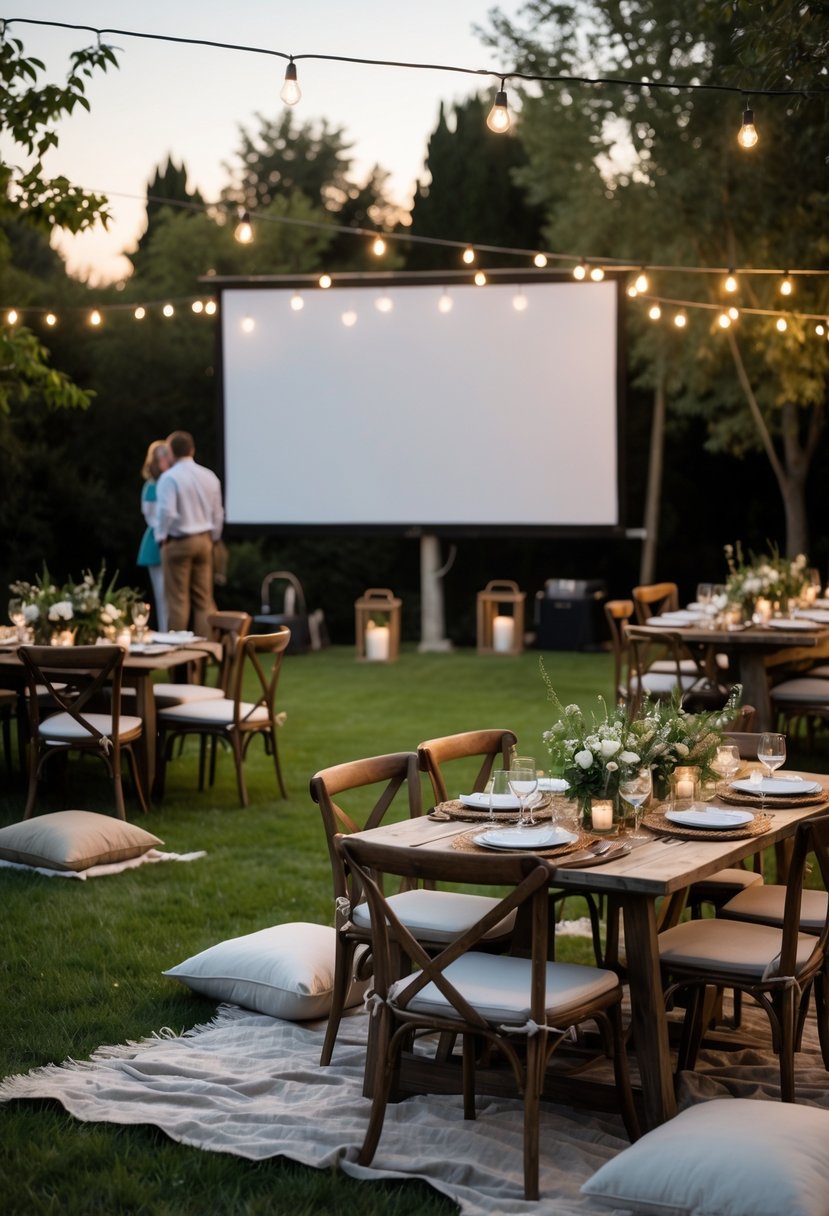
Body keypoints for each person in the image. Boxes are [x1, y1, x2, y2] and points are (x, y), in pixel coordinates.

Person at [154, 430, 224, 637]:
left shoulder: (169, 477)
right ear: (192, 450)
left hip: (179, 541)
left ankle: (178, 652)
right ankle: (205, 648)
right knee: (204, 601)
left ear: (170, 452)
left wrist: (161, 536)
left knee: (178, 601)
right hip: (205, 540)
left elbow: (166, 512)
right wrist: (214, 538)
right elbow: (218, 513)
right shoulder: (209, 476)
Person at [136, 440, 171, 632]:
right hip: (157, 540)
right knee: (162, 594)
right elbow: (150, 516)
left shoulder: (173, 481)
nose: (166, 460)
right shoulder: (151, 486)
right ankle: (166, 632)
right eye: (162, 457)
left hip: (175, 539)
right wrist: (164, 531)